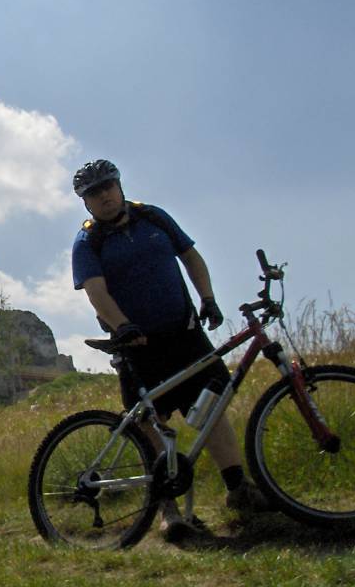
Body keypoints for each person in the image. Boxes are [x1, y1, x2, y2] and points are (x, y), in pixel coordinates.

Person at [70, 159, 270, 541]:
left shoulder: (153, 218)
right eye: (94, 193)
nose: (104, 195)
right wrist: (122, 325)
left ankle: (238, 490)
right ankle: (168, 510)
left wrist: (207, 298)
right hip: (138, 345)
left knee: (212, 409)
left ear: (119, 186)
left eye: (108, 186)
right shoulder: (88, 241)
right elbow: (96, 291)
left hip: (184, 333)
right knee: (150, 423)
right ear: (86, 202)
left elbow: (190, 256)